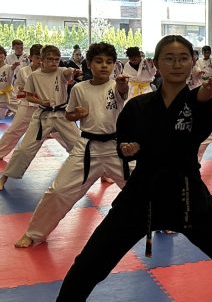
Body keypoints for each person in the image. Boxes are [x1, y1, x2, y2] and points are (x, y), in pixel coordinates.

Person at [46, 35, 212, 302]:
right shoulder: (138, 106)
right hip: (142, 193)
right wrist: (128, 149)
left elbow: (203, 115)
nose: (176, 64)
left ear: (192, 62)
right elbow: (124, 146)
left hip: (187, 193)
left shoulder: (200, 102)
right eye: (169, 58)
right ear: (156, 63)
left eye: (183, 57)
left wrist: (207, 91)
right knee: (95, 255)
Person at [14, 43, 130, 247]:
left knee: (145, 183)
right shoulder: (79, 88)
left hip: (115, 147)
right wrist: (75, 115)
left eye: (109, 62)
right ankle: (35, 233)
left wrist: (122, 85)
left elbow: (122, 92)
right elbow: (68, 115)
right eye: (99, 61)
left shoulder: (116, 85)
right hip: (86, 147)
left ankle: (166, 220)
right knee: (58, 191)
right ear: (89, 64)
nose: (104, 66)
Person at [0, 46, 81, 191]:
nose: (54, 62)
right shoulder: (34, 76)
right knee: (24, 149)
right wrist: (41, 102)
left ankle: (102, 173)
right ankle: (4, 178)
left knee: (81, 146)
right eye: (50, 59)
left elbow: (68, 72)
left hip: (61, 115)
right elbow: (28, 96)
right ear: (42, 60)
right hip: (42, 116)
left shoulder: (61, 72)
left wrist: (74, 71)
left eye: (56, 59)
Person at [0, 45, 71, 161]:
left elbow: (64, 79)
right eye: (36, 57)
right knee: (14, 130)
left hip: (48, 109)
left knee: (60, 133)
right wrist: (23, 90)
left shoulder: (53, 71)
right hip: (27, 106)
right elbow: (18, 87)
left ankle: (76, 154)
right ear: (31, 57)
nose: (39, 60)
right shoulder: (23, 71)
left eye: (40, 58)